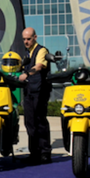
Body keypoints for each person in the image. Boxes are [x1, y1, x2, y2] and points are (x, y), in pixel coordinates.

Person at [18, 27, 53, 164]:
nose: (26, 41)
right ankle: (34, 152)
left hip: (40, 90)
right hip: (29, 90)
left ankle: (45, 152)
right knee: (29, 122)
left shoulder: (41, 50)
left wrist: (26, 73)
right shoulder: (27, 53)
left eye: (28, 39)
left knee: (40, 121)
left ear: (35, 37)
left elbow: (39, 66)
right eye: (24, 39)